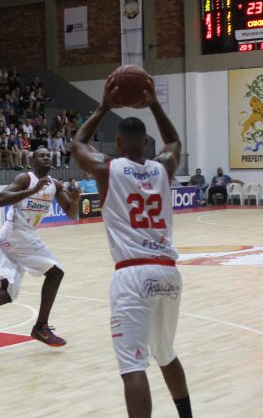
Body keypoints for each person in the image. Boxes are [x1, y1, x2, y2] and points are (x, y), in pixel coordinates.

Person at [70, 77, 193, 418]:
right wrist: (154, 104)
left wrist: (103, 108)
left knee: (132, 365)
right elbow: (174, 141)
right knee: (165, 353)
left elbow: (77, 143)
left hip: (132, 273)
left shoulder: (106, 169)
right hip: (168, 273)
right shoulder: (163, 167)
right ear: (147, 143)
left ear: (119, 142)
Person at [0, 148, 80, 347]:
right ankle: (41, 327)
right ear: (33, 161)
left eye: (49, 155)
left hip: (13, 237)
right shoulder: (25, 179)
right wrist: (32, 191)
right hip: (17, 233)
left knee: (7, 292)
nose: (46, 157)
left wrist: (76, 201)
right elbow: (1, 199)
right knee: (56, 273)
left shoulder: (55, 185)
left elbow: (71, 214)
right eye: (41, 155)